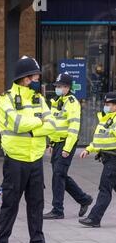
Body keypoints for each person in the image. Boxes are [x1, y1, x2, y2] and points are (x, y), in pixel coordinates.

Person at [0, 56, 56, 243]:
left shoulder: (39, 99)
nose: (37, 78)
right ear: (25, 77)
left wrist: (34, 127)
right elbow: (18, 123)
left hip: (36, 159)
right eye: (35, 75)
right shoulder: (6, 99)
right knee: (10, 205)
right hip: (15, 159)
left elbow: (52, 125)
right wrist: (38, 125)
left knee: (36, 205)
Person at [43, 72, 93, 220]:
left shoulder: (72, 102)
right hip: (57, 143)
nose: (57, 88)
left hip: (66, 143)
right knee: (60, 175)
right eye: (56, 86)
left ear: (67, 87)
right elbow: (54, 124)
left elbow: (73, 127)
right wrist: (51, 142)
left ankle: (57, 209)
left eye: (60, 86)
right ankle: (84, 199)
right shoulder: (57, 100)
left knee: (58, 175)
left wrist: (67, 148)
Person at [78, 91, 116, 227]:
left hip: (113, 159)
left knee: (104, 189)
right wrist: (88, 149)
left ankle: (94, 218)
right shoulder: (105, 119)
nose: (106, 106)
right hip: (107, 158)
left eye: (109, 104)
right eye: (105, 104)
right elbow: (99, 140)